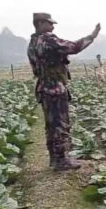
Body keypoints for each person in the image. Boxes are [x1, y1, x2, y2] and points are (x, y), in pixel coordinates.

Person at [27, 13, 100, 171]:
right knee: (60, 124)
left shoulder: (32, 43)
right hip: (55, 88)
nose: (53, 27)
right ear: (39, 23)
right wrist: (92, 36)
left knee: (50, 125)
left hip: (43, 87)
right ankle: (62, 160)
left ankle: (54, 158)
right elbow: (73, 47)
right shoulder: (48, 39)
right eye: (49, 23)